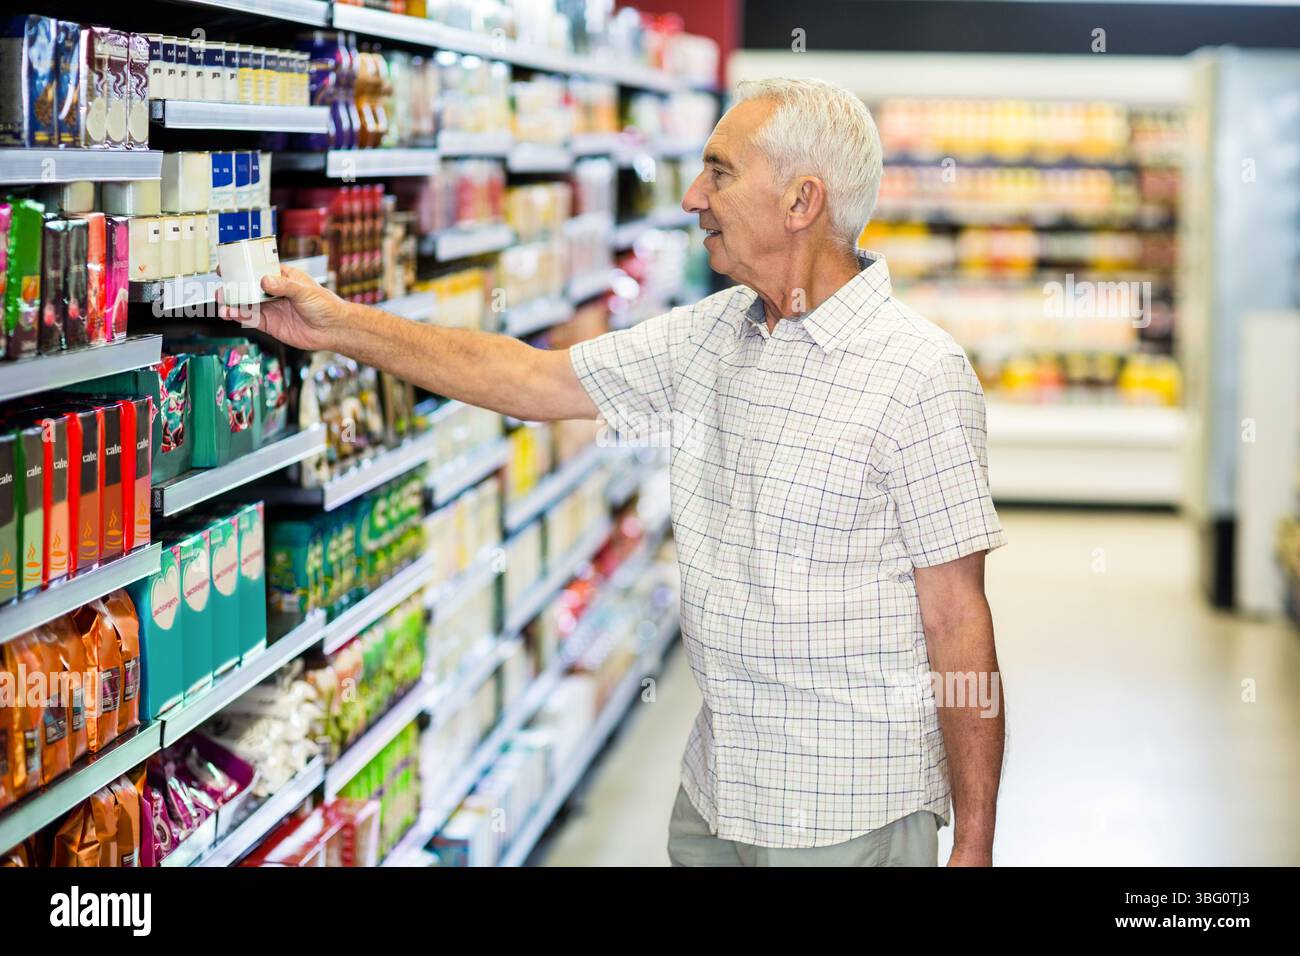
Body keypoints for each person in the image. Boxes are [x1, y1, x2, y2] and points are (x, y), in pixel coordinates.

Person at [223, 77, 1007, 867]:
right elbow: (528, 379)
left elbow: (956, 621)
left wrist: (975, 841)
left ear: (803, 201)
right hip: (716, 792)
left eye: (721, 172)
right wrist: (340, 325)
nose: (694, 196)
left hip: (850, 813)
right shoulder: (710, 335)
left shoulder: (920, 373)